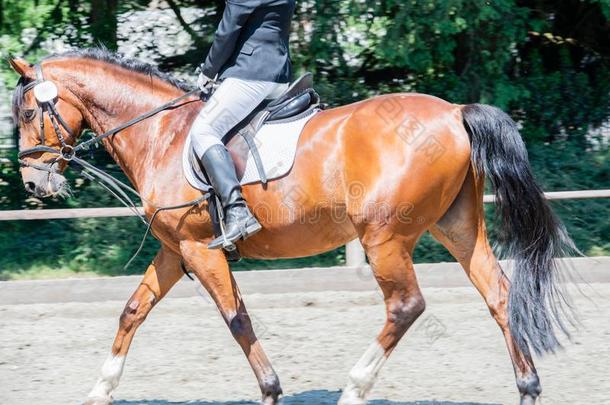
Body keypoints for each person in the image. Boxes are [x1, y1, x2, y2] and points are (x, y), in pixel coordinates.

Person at [190, 0, 296, 250]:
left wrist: (208, 72)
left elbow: (227, 31)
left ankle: (237, 211)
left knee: (203, 131)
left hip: (252, 73)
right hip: (280, 74)